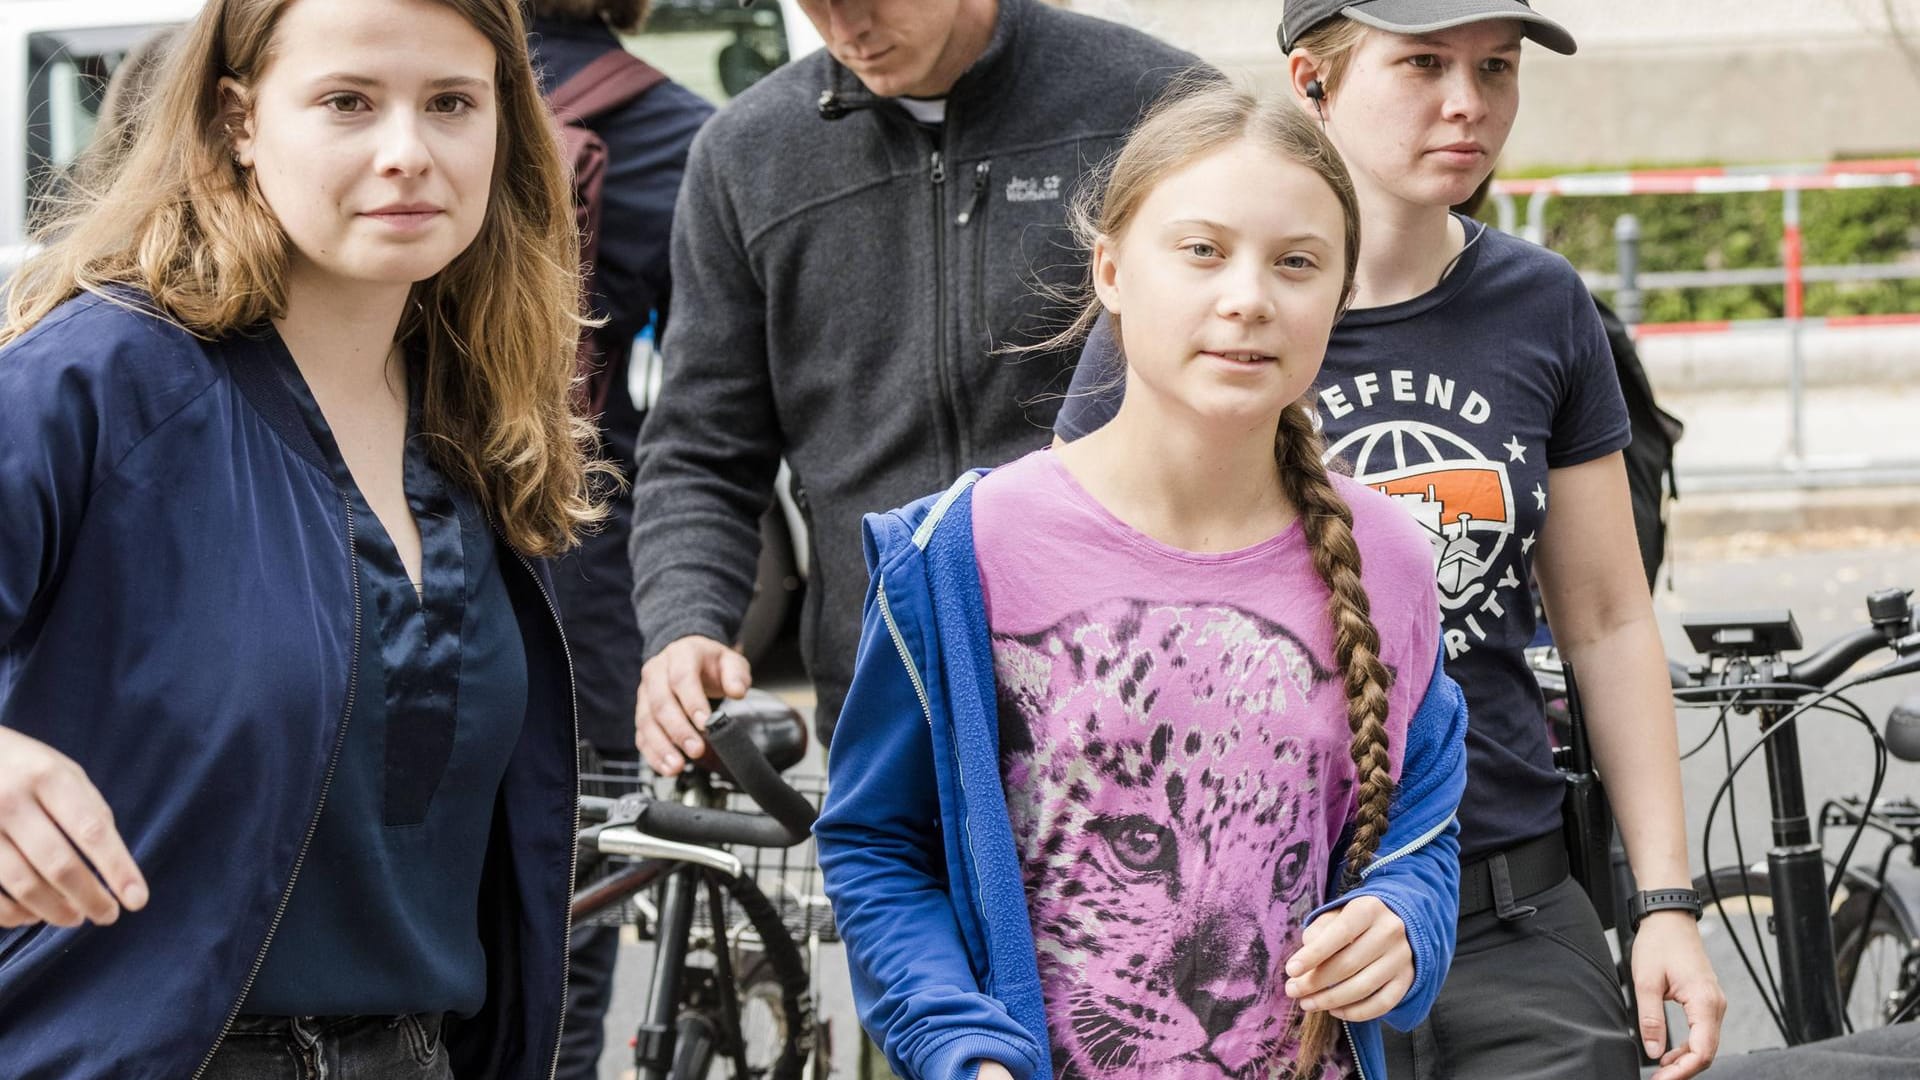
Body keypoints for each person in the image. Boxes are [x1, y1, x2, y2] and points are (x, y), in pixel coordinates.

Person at [1054, 3, 1728, 1078]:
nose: (1468, 103)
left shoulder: (1542, 303)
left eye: (1495, 69)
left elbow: (1606, 619)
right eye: (1423, 63)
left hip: (1509, 899)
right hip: (1261, 938)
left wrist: (1664, 902)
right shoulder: (1198, 317)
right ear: (1311, 81)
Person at [816, 79, 1470, 1080]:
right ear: (1113, 270)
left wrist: (1401, 926)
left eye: (1297, 263)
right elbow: (876, 846)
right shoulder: (961, 550)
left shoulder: (1387, 556)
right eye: (1202, 250)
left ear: (1340, 296)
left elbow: (1419, 832)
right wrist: (959, 1044)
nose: (1248, 296)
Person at [0, 0, 600, 1075]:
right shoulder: (99, 381)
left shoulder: (477, 415)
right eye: (348, 102)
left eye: (452, 103)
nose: (408, 152)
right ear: (238, 120)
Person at [627, 0, 1198, 775]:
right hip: (884, 719)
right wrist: (685, 621)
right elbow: (701, 446)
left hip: (1138, 708)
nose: (842, 24)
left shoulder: (1154, 103)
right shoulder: (743, 155)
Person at [524, 2, 713, 1074]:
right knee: (571, 880)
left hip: (366, 531)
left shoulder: (400, 85)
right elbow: (709, 399)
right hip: (575, 555)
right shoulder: (678, 137)